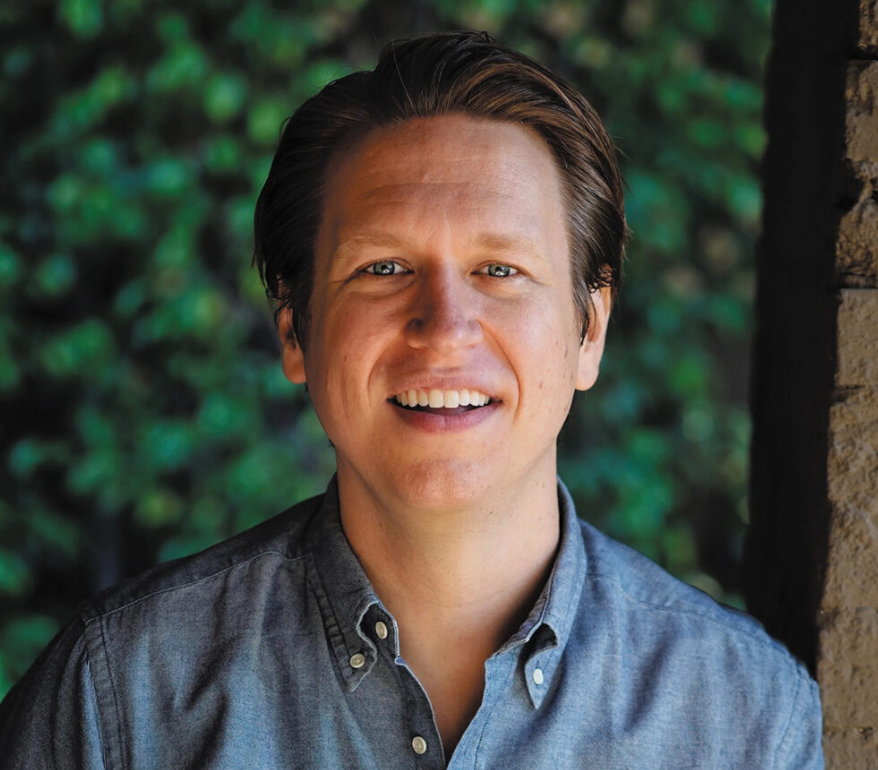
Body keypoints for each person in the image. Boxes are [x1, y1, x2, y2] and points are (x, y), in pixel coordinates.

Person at [0, 31, 822, 769]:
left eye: (500, 270)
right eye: (383, 268)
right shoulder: (118, 700)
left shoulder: (744, 717)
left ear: (589, 331)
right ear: (296, 331)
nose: (444, 328)